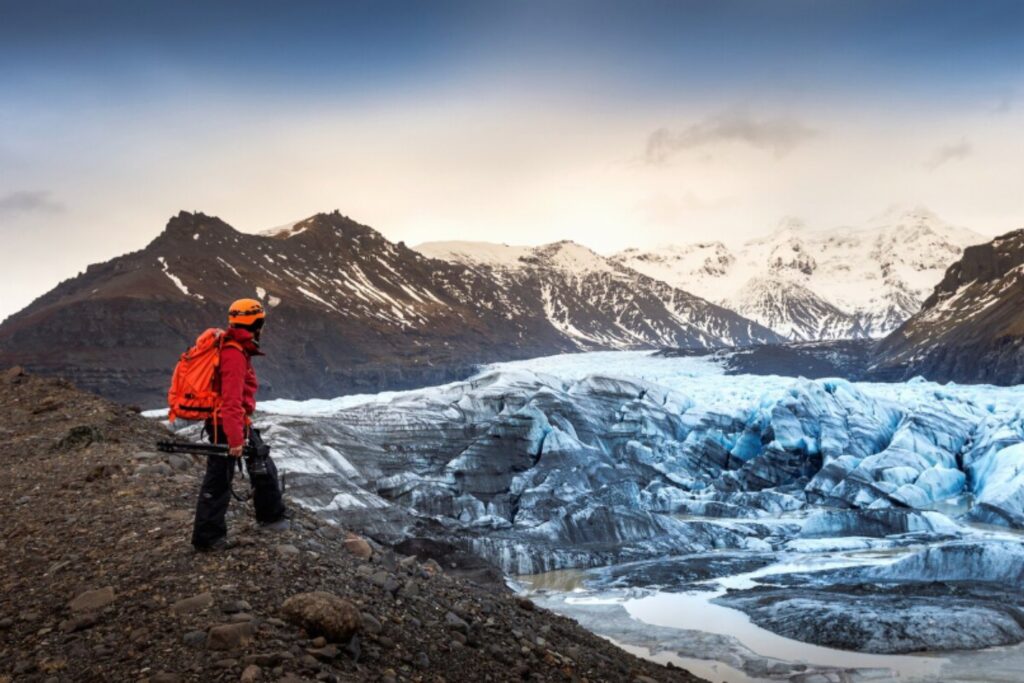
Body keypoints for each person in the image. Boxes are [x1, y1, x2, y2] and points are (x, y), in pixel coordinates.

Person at [191, 298, 290, 551]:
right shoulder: (234, 354)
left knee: (261, 462)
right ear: (257, 323)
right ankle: (208, 538)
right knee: (219, 478)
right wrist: (235, 439)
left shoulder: (233, 348)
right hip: (226, 423)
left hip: (228, 421)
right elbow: (231, 400)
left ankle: (271, 518)